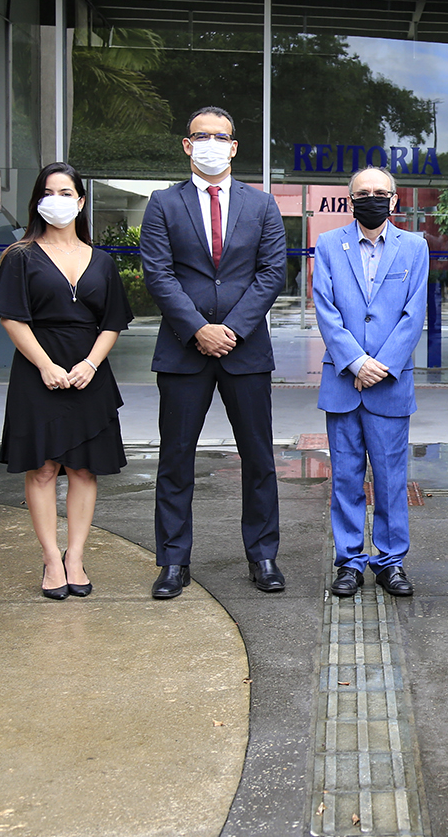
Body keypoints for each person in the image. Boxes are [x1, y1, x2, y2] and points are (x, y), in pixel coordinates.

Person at [140, 105, 287, 597]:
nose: (210, 143)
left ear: (234, 146)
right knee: (175, 459)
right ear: (187, 144)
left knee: (259, 457)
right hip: (184, 351)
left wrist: (233, 330)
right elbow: (158, 274)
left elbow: (271, 274)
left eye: (219, 136)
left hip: (245, 352)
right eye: (200, 135)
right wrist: (199, 328)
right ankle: (173, 562)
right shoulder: (162, 203)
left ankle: (263, 555)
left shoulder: (262, 204)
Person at [0, 164, 133, 599]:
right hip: (38, 373)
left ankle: (75, 556)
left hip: (90, 373)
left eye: (66, 192)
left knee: (84, 468)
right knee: (44, 467)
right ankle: (51, 558)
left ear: (81, 201)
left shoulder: (102, 260)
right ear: (37, 201)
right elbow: (11, 318)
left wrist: (90, 363)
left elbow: (112, 322)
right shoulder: (20, 256)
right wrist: (45, 365)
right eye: (49, 192)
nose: (58, 199)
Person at [313, 167, 430, 598]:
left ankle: (390, 561)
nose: (372, 198)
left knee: (390, 479)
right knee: (344, 478)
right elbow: (325, 308)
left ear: (394, 200)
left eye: (381, 192)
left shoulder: (415, 247)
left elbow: (414, 313)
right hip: (343, 382)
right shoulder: (328, 244)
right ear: (350, 199)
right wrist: (356, 362)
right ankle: (348, 562)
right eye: (363, 193)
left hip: (390, 384)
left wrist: (381, 365)